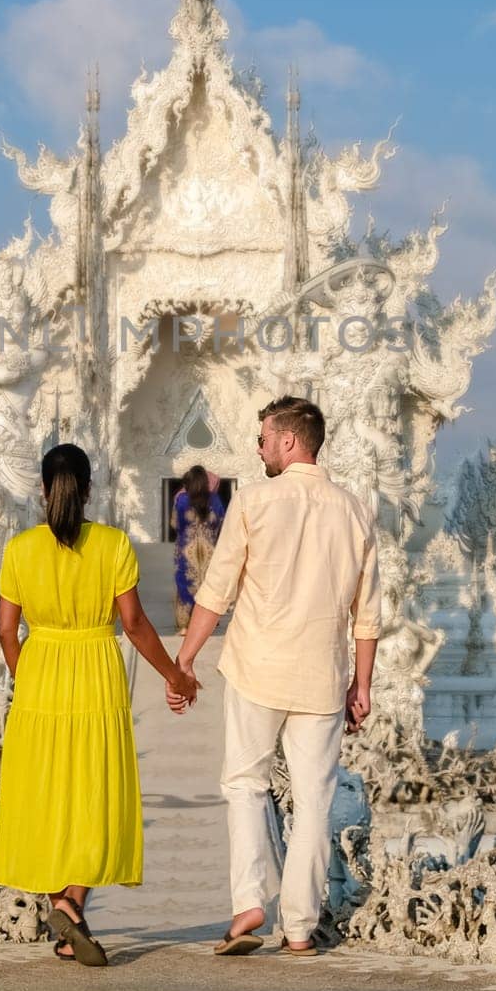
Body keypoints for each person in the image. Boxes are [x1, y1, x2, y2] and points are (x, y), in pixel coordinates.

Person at [168, 396, 380, 957]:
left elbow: (217, 589)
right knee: (313, 799)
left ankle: (248, 903)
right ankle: (301, 926)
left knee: (245, 785)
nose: (258, 447)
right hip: (321, 675)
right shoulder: (355, 510)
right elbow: (369, 614)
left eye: (263, 437)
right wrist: (362, 686)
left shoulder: (253, 501)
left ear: (289, 440)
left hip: (257, 667)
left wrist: (185, 661)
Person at [0, 443, 198, 966]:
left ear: (43, 490)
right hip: (96, 677)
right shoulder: (112, 545)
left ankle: (63, 911)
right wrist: (175, 673)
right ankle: (72, 909)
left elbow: (5, 630)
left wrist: (29, 676)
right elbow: (131, 624)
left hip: (40, 673)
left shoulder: (19, 550)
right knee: (91, 794)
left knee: (43, 797)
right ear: (89, 489)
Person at [170, 464, 226, 633]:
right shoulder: (215, 499)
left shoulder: (182, 499)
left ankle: (185, 626)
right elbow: (222, 522)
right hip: (210, 551)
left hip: (187, 551)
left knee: (185, 584)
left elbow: (174, 523)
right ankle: (208, 622)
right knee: (208, 585)